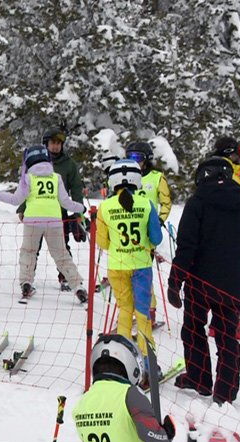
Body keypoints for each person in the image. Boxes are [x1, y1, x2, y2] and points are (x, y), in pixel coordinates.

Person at [168, 157, 240, 405]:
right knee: (226, 337)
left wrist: (175, 281)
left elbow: (186, 247)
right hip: (231, 286)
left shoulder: (197, 203)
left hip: (200, 284)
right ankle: (225, 392)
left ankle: (200, 379)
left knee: (193, 328)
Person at [0, 144, 88, 304]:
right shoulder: (56, 177)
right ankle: (77, 286)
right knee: (62, 255)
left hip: (33, 221)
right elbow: (65, 202)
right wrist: (81, 208)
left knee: (29, 252)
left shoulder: (28, 178)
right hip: (54, 221)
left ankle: (26, 282)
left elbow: (15, 200)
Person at [96, 160, 164, 365]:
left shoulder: (105, 207)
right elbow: (156, 239)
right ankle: (148, 361)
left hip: (117, 266)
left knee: (125, 309)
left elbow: (102, 242)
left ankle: (123, 361)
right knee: (143, 314)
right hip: (141, 266)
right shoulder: (146, 204)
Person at [125, 140, 169, 328]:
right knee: (127, 272)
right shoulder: (124, 175)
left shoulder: (156, 177)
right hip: (127, 231)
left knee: (144, 274)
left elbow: (166, 203)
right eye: (130, 157)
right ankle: (130, 310)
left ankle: (148, 312)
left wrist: (159, 221)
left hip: (147, 234)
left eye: (137, 157)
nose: (134, 161)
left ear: (147, 159)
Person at [39, 127, 86, 291]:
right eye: (53, 143)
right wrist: (22, 208)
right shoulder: (37, 162)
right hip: (37, 212)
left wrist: (78, 211)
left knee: (63, 247)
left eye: (59, 143)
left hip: (60, 213)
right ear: (46, 144)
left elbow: (76, 187)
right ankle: (27, 279)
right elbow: (27, 185)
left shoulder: (69, 164)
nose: (56, 146)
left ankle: (65, 276)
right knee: (32, 248)